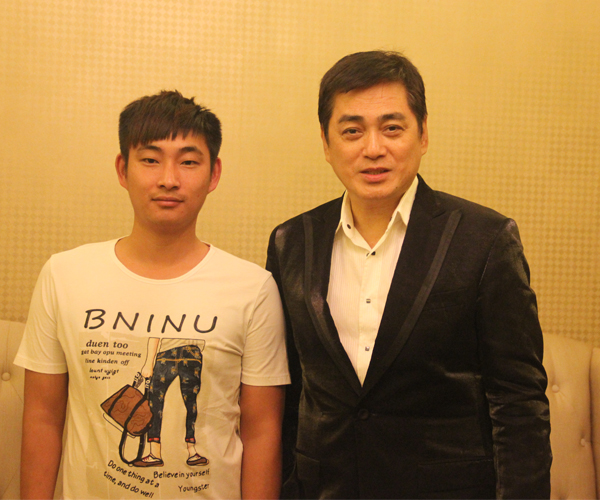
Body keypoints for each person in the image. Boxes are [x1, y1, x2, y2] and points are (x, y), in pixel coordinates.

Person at [267, 51, 551, 499]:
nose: (373, 148)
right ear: (326, 142)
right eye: (352, 131)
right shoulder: (291, 243)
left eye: (392, 128)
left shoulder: (485, 239)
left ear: (423, 134)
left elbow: (518, 400)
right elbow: (289, 392)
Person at [16, 90, 290, 499]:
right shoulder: (64, 274)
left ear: (213, 174)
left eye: (189, 162)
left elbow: (262, 431)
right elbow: (42, 417)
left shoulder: (252, 288)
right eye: (150, 159)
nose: (168, 179)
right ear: (122, 169)